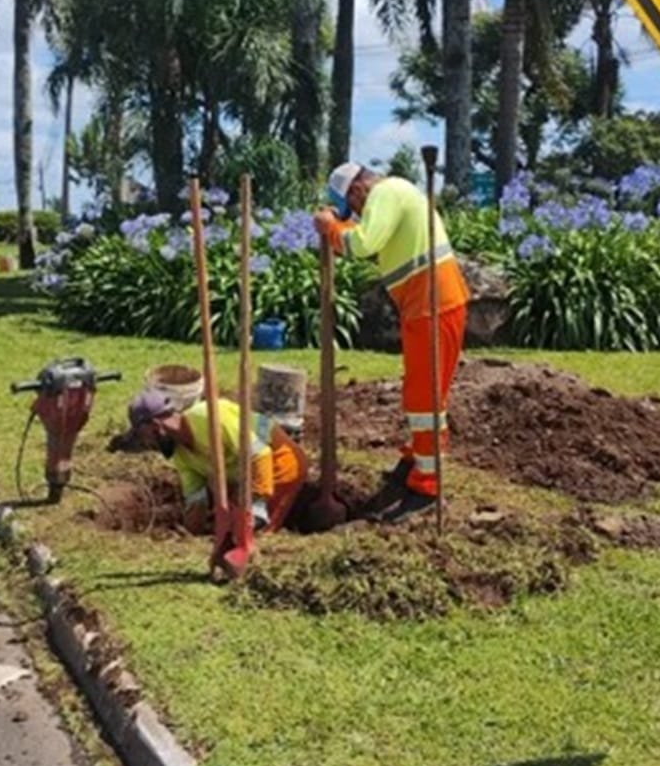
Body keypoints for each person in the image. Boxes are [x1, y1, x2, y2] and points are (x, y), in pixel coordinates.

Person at [314, 162, 470, 522]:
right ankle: (415, 458)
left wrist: (331, 228)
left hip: (434, 303)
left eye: (353, 207)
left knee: (424, 397)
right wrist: (339, 228)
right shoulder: (393, 193)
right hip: (426, 304)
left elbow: (363, 243)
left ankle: (428, 484)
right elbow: (363, 234)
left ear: (357, 190)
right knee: (421, 391)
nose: (356, 213)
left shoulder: (386, 192)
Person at [126, 388, 308, 535]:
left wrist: (257, 507)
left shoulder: (208, 417)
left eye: (141, 435)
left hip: (280, 461)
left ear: (155, 425)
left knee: (257, 535)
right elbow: (196, 501)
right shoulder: (180, 456)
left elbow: (259, 455)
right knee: (235, 525)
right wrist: (189, 535)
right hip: (245, 476)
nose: (145, 443)